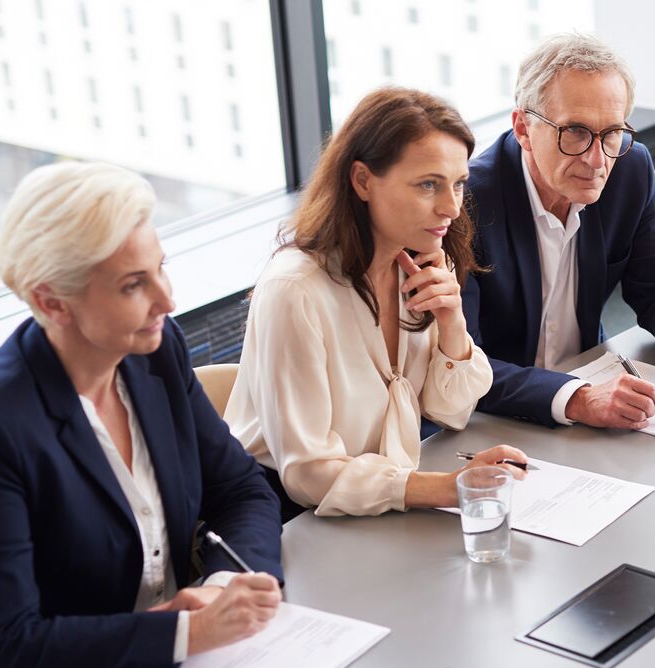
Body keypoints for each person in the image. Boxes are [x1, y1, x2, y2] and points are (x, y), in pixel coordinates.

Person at [0, 162, 284, 668]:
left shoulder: (154, 354)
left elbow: (240, 489)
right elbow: (7, 645)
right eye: (133, 285)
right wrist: (187, 635)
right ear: (52, 302)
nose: (167, 298)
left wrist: (220, 591)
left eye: (160, 267)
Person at [224, 87, 527, 521]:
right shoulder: (295, 290)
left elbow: (451, 411)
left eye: (458, 184)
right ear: (363, 180)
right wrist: (449, 486)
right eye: (428, 185)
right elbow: (308, 474)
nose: (450, 208)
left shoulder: (417, 261)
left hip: (381, 502)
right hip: (293, 520)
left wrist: (452, 323)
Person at [465, 32, 655, 430]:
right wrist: (578, 398)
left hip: (593, 403)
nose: (597, 160)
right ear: (523, 128)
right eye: (575, 131)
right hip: (493, 423)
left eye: (612, 132)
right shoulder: (465, 202)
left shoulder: (629, 170)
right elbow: (458, 366)